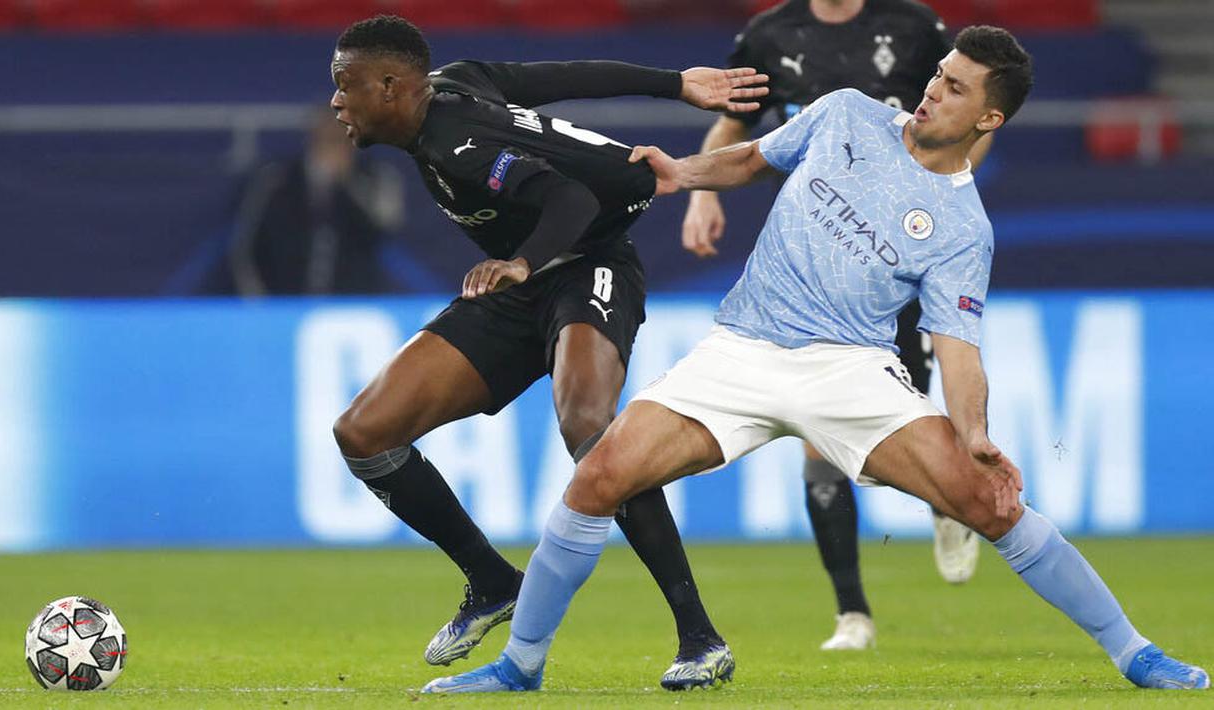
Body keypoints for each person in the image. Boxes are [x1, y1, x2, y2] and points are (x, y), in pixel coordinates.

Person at [423, 26, 1210, 694]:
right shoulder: (846, 115)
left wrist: (972, 433)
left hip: (848, 371)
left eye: (957, 88)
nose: (934, 91)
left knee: (991, 505)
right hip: (740, 348)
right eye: (938, 75)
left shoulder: (963, 229)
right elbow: (757, 158)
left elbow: (957, 348)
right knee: (597, 479)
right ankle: (520, 666)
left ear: (989, 117)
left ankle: (1133, 653)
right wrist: (684, 173)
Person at [327, 15, 770, 689]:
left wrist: (523, 262)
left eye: (345, 85)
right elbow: (563, 78)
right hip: (523, 277)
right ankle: (490, 582)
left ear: (391, 86)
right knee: (364, 432)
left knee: (590, 428)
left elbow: (572, 196)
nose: (335, 101)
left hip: (589, 263)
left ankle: (698, 636)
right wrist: (674, 84)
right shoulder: (459, 82)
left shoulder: (459, 144)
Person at [683, 0, 994, 651]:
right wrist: (704, 191)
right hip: (814, 258)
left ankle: (944, 499)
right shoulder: (769, 35)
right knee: (821, 444)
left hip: (898, 261)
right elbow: (735, 124)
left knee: (886, 451)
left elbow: (969, 116)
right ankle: (851, 613)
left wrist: (945, 185)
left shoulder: (910, 26)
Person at [230, 108, 406, 295]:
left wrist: (347, 182)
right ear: (312, 137)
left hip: (354, 303)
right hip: (284, 301)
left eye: (341, 138)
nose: (333, 148)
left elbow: (387, 226)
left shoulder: (376, 177)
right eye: (327, 139)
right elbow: (245, 246)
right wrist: (258, 300)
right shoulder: (275, 180)